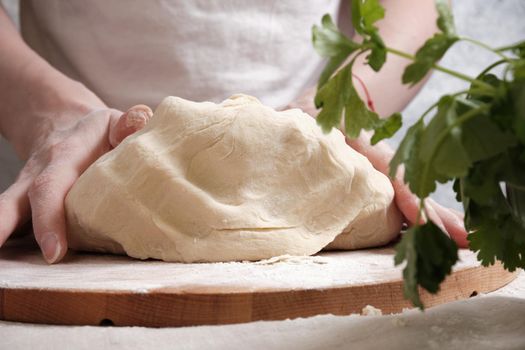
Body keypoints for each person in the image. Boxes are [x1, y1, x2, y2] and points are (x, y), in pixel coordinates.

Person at [0, 0, 467, 264]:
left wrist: (341, 106)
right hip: (83, 160)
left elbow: (414, 9)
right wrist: (51, 114)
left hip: (310, 146)